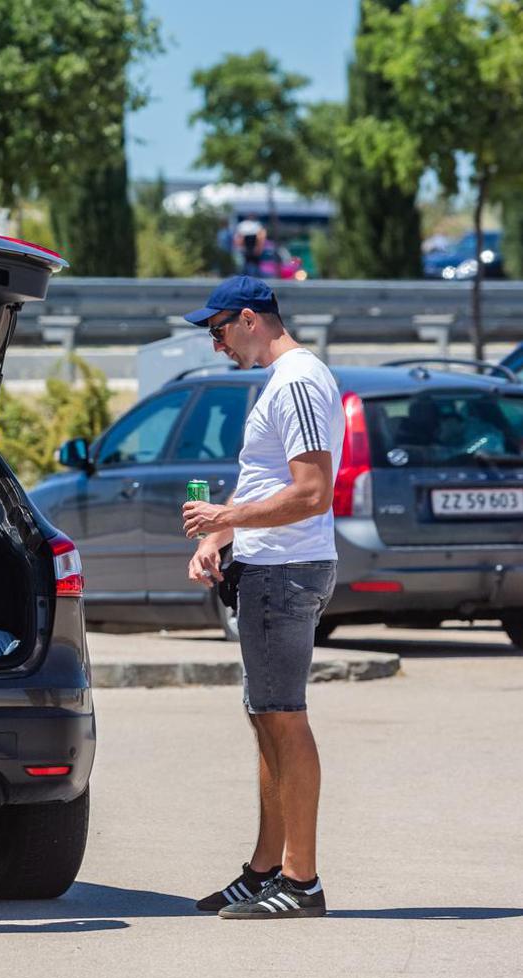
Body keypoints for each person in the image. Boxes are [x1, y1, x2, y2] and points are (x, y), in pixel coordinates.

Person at [181, 275, 344, 920]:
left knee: (283, 717)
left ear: (250, 318)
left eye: (218, 331)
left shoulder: (299, 380)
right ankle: (266, 868)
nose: (216, 346)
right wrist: (219, 535)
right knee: (266, 717)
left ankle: (301, 882)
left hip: (286, 570)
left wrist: (230, 516)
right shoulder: (282, 382)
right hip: (268, 566)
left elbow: (312, 491)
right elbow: (277, 483)